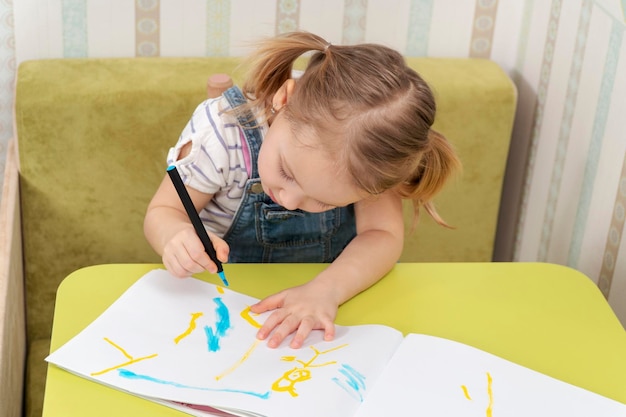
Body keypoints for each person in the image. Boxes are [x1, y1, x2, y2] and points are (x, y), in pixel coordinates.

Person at [144, 31, 460, 350]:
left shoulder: (375, 148)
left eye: (323, 201)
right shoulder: (222, 134)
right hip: (221, 310)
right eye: (286, 172)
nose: (290, 201)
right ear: (285, 99)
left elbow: (383, 234)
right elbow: (164, 212)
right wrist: (176, 237)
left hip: (327, 309)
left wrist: (327, 290)